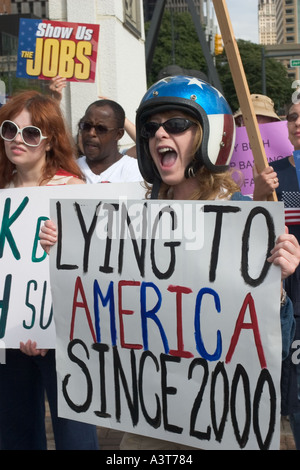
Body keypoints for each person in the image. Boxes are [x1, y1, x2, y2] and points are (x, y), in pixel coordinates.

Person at [40, 76, 300, 450]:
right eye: (151, 128)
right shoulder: (128, 220)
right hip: (147, 424)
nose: (160, 134)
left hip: (220, 422)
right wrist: (70, 250)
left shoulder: (243, 218)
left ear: (210, 136)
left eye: (176, 125)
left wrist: (276, 287)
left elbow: (276, 339)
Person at [0, 89, 100, 450]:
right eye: (9, 130)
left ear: (48, 141)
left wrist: (67, 243)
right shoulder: (1, 191)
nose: (17, 140)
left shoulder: (73, 190)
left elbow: (94, 266)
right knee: (15, 434)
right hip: (9, 335)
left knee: (75, 436)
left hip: (66, 335)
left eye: (29, 134)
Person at [253, 101, 300, 449]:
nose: (298, 122)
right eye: (294, 116)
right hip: (290, 297)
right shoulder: (273, 174)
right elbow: (258, 231)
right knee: (296, 399)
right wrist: (257, 194)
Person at [76, 99, 142, 183]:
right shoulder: (69, 170)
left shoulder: (135, 171)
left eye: (101, 129)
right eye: (86, 126)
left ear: (119, 134)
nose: (91, 133)